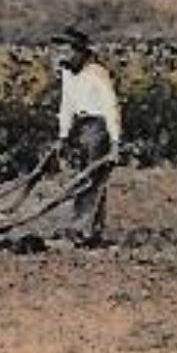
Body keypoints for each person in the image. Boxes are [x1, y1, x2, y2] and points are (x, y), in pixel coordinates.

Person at [53, 26, 121, 246]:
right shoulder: (67, 73)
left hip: (99, 127)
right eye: (60, 49)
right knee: (80, 179)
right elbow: (66, 105)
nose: (61, 54)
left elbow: (111, 107)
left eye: (66, 49)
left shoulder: (97, 74)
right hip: (80, 128)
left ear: (79, 51)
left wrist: (114, 142)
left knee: (93, 180)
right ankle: (80, 226)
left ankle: (90, 231)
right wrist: (63, 136)